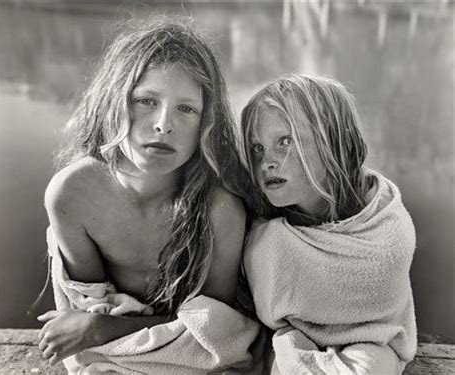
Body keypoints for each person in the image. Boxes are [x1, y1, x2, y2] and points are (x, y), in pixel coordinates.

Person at [37, 17, 252, 368]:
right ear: (113, 100)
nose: (164, 124)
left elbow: (216, 329)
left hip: (188, 351)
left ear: (206, 123)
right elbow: (88, 308)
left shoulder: (219, 208)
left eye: (186, 109)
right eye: (146, 100)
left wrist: (104, 327)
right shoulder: (72, 195)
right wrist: (99, 323)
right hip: (114, 349)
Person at [241, 74, 417, 374]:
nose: (267, 162)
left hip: (371, 341)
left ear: (332, 140)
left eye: (286, 141)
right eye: (257, 148)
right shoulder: (261, 226)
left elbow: (384, 293)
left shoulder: (383, 222)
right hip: (287, 338)